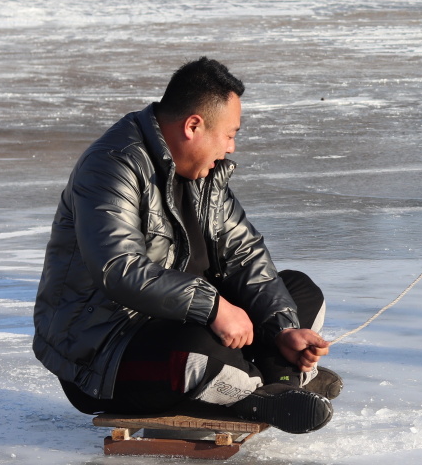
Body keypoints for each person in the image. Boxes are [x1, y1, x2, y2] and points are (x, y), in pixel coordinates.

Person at [33, 57, 341, 434]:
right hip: (107, 349)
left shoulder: (204, 174)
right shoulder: (111, 166)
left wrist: (281, 330)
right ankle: (268, 387)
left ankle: (274, 383)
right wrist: (214, 308)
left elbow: (245, 256)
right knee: (197, 348)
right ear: (193, 126)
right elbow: (118, 268)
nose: (231, 147)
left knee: (298, 292)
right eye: (229, 134)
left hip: (181, 318)